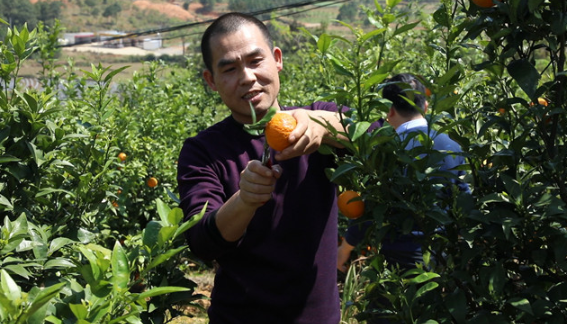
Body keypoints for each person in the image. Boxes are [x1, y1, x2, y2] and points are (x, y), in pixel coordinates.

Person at [177, 12, 348, 324]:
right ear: (211, 81)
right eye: (229, 68)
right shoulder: (203, 151)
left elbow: (381, 134)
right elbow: (202, 241)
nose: (247, 77)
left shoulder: (316, 119)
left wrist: (327, 125)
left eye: (256, 60)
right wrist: (245, 201)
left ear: (277, 59)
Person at [337, 73, 470, 274]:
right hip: (442, 253)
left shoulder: (385, 151)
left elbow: (368, 208)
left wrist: (346, 248)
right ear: (425, 107)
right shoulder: (451, 145)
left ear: (388, 111)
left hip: (398, 258)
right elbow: (464, 198)